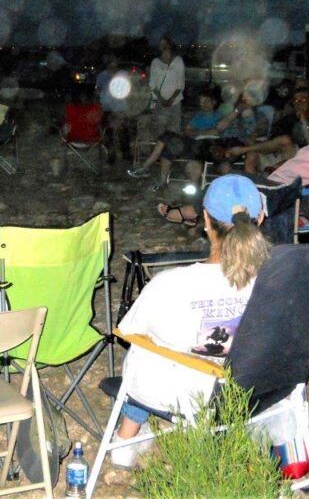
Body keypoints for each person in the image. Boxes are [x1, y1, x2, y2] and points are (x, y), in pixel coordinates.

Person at [110, 175, 271, 468]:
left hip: (176, 393)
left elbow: (127, 331)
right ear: (259, 218)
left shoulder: (171, 283)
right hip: (247, 392)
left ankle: (124, 442)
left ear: (206, 220)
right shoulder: (276, 282)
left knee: (145, 347)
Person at [225, 86, 309, 174]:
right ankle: (252, 193)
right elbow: (273, 144)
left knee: (285, 140)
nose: (299, 103)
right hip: (281, 156)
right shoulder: (286, 120)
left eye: (303, 100)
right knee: (252, 155)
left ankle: (243, 150)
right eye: (296, 100)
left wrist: (304, 121)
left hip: (305, 159)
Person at [96, 56, 132, 164]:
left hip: (120, 107)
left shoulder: (123, 74)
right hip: (106, 108)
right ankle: (111, 155)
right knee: (108, 132)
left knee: (123, 131)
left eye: (114, 62)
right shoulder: (102, 75)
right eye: (109, 62)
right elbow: (98, 90)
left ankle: (126, 153)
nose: (112, 65)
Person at [148, 36, 186, 136]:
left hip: (175, 102)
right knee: (160, 132)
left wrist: (171, 99)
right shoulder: (155, 62)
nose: (163, 46)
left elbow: (180, 83)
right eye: (161, 44)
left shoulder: (178, 61)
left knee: (174, 132)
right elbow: (152, 84)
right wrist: (162, 100)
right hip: (160, 103)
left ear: (170, 45)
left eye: (165, 44)